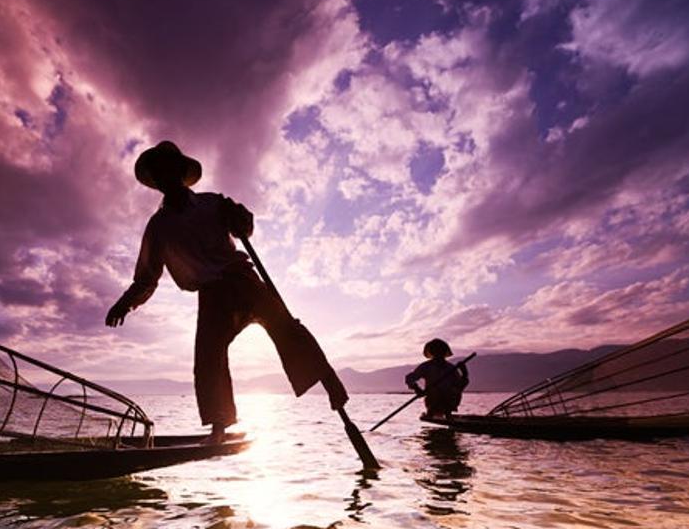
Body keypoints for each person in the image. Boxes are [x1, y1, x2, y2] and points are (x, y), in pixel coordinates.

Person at [106, 141, 348, 441]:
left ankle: (328, 379)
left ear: (181, 172)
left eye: (170, 169)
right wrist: (125, 303)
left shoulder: (211, 203)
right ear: (156, 180)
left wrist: (239, 217)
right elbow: (147, 277)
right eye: (159, 172)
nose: (165, 176)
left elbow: (244, 228)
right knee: (207, 357)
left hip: (241, 279)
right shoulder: (158, 227)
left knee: (285, 327)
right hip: (211, 295)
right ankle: (219, 425)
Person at [404, 338, 469, 420]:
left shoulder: (450, 368)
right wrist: (417, 389)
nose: (439, 353)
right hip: (433, 399)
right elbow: (410, 378)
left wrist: (464, 373)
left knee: (451, 392)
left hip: (449, 400)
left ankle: (448, 415)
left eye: (441, 350)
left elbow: (460, 385)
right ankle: (431, 413)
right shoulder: (426, 366)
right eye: (436, 350)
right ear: (432, 352)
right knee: (435, 392)